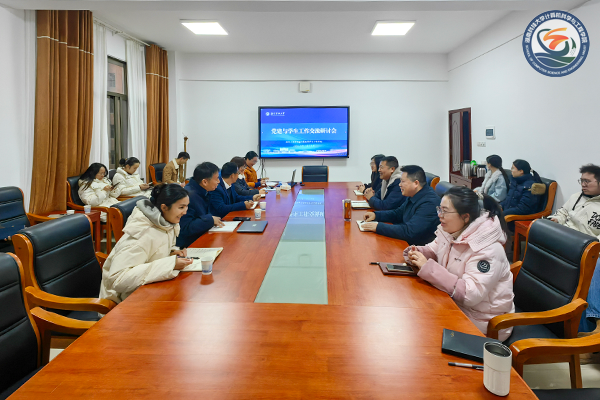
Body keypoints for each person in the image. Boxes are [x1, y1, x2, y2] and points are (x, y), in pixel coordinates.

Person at [403, 186, 515, 340]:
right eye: (439, 209)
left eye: (445, 211)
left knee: (420, 331)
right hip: (453, 305)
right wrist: (418, 252)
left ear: (465, 217)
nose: (439, 215)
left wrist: (428, 267)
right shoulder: (451, 231)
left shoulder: (488, 249)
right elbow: (434, 249)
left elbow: (470, 294)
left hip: (482, 322)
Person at [99, 184, 193, 304]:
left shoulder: (165, 223)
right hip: (121, 303)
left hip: (146, 291)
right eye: (181, 207)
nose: (185, 212)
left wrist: (171, 253)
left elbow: (150, 254)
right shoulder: (141, 234)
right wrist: (170, 264)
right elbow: (118, 280)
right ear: (164, 207)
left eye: (187, 206)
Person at [548, 164, 600, 336]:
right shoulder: (576, 197)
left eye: (587, 181)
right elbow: (563, 212)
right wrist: (556, 219)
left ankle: (592, 325)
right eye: (581, 180)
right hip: (566, 241)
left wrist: (589, 247)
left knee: (594, 267)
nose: (583, 185)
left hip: (587, 248)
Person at [361, 165, 440, 245]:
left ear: (416, 183)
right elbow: (398, 213)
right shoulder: (414, 194)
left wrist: (378, 227)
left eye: (402, 181)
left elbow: (410, 231)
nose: (399, 184)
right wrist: (376, 215)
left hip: (416, 248)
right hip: (405, 241)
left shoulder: (430, 203)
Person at [177, 162, 225, 248]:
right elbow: (185, 228)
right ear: (205, 182)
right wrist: (210, 220)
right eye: (217, 179)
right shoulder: (189, 196)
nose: (218, 182)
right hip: (190, 245)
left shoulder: (202, 190)